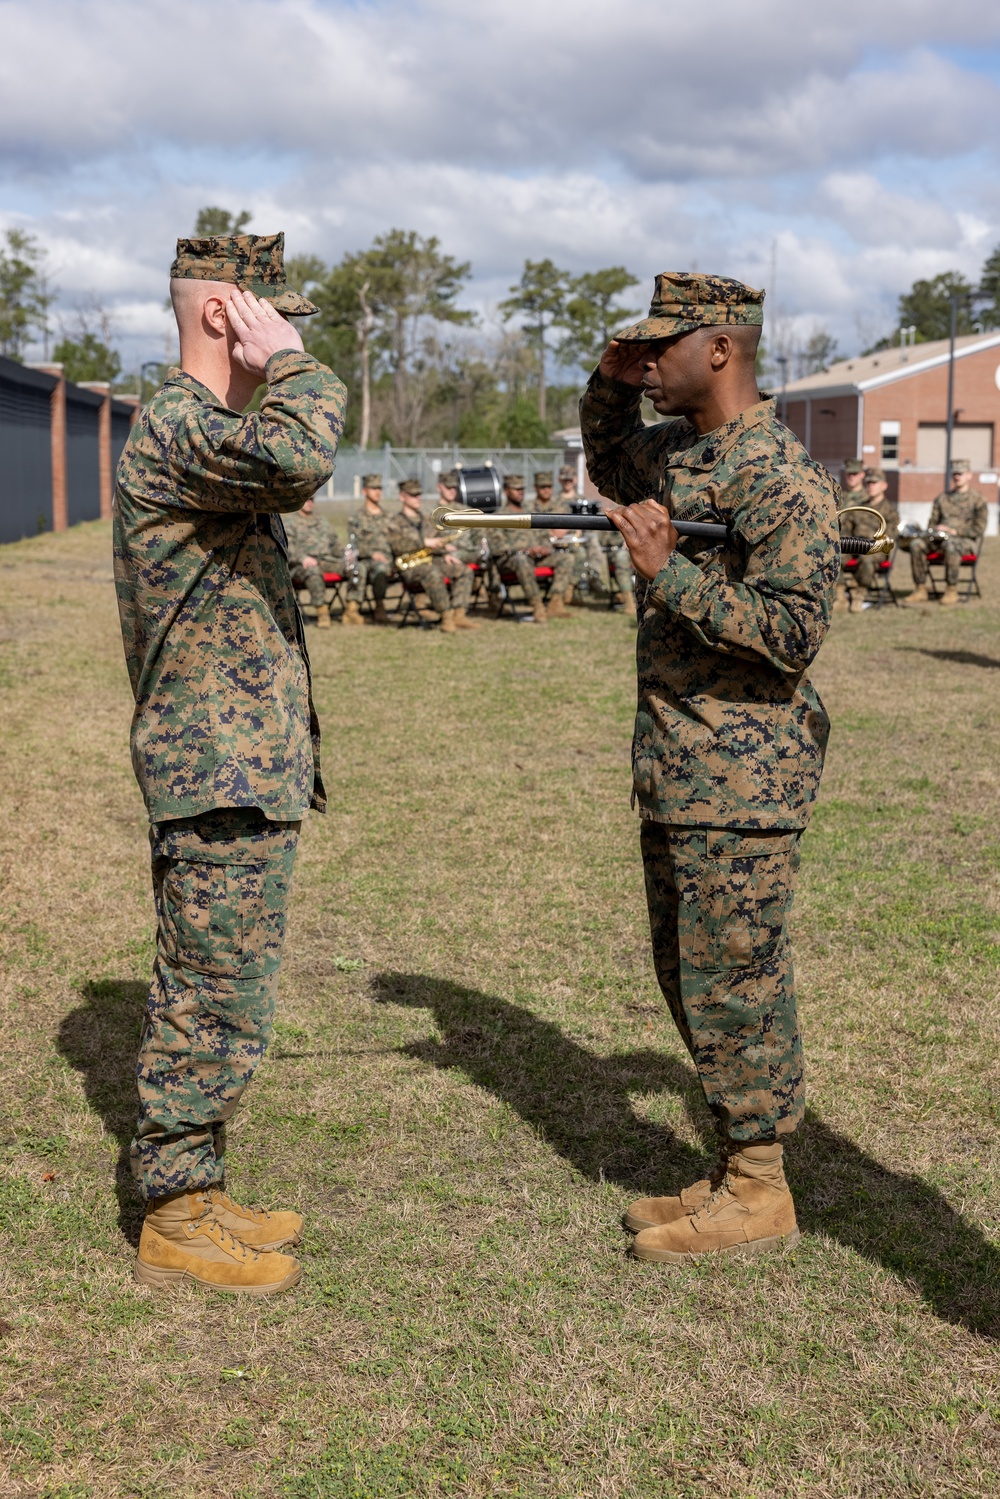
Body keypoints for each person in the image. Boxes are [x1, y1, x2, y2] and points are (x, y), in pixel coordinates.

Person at [581, 271, 839, 1263]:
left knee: (738, 979)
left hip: (745, 774)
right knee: (691, 973)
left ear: (721, 349)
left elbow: (789, 629)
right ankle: (735, 1161)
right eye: (638, 350)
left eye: (661, 349)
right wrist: (608, 384)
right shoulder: (675, 449)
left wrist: (668, 573)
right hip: (681, 765)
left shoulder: (775, 474)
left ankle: (761, 1187)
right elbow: (609, 463)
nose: (648, 363)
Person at [113, 232, 346, 1294]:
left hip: (238, 761)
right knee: (207, 986)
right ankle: (171, 1206)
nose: (289, 334)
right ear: (225, 317)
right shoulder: (180, 426)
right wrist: (295, 369)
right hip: (212, 761)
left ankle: (200, 1184)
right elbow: (303, 456)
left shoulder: (205, 432)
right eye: (273, 316)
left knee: (231, 986)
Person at [386, 479, 479, 632]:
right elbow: (397, 546)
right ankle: (446, 616)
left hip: (431, 560)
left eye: (419, 495)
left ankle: (459, 614)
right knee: (432, 573)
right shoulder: (394, 522)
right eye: (413, 495)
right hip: (411, 566)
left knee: (463, 571)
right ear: (402, 497)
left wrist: (444, 552)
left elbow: (436, 540)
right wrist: (424, 542)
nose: (417, 498)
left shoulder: (426, 520)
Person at [489, 473, 574, 622]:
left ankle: (555, 603)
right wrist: (525, 550)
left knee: (566, 558)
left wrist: (544, 548)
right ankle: (538, 607)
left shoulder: (530, 513)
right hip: (510, 561)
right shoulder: (499, 516)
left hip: (535, 558)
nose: (520, 492)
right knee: (521, 560)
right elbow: (497, 548)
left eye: (522, 488)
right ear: (506, 491)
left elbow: (543, 536)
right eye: (516, 489)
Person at [903, 458, 987, 607]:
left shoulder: (978, 499)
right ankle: (920, 589)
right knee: (916, 544)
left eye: (960, 473)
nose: (957, 477)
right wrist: (936, 530)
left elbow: (979, 528)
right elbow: (931, 524)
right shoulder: (942, 499)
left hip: (964, 541)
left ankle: (951, 589)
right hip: (938, 540)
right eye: (955, 473)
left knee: (951, 545)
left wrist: (955, 531)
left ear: (969, 475)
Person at [839, 468, 899, 607]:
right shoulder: (859, 508)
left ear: (884, 486)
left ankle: (859, 594)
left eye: (874, 483)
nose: (870, 486)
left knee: (867, 558)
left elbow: (890, 537)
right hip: (855, 547)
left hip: (875, 550)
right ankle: (840, 595)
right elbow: (847, 529)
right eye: (868, 483)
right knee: (834, 556)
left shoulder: (890, 510)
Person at [284, 494, 340, 628]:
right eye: (306, 499)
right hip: (301, 565)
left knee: (355, 567)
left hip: (325, 560)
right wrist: (302, 557)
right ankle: (322, 612)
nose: (310, 503)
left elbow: (335, 544)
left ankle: (352, 610)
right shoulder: (290, 523)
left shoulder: (322, 522)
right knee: (313, 572)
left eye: (312, 500)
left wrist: (348, 556)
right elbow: (288, 547)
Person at [344, 474, 392, 625]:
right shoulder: (357, 518)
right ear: (364, 491)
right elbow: (354, 544)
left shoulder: (388, 517)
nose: (378, 492)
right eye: (373, 488)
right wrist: (372, 553)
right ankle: (352, 610)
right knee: (359, 569)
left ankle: (379, 608)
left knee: (381, 568)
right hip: (364, 559)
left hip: (386, 560)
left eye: (380, 488)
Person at [832, 458, 866, 612]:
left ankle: (857, 595)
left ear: (862, 475)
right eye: (849, 474)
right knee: (832, 554)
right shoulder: (840, 497)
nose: (852, 476)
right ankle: (840, 597)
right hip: (842, 543)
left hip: (862, 543)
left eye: (855, 473)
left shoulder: (869, 497)